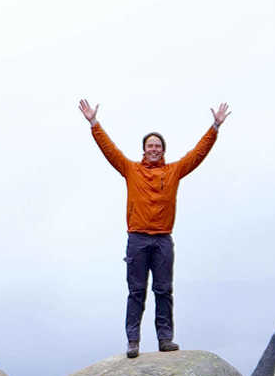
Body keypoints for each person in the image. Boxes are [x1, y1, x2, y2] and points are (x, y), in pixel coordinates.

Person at [78, 98, 230, 358]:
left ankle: (165, 339)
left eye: (158, 146)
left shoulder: (173, 171)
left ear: (163, 150)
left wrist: (214, 127)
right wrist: (94, 123)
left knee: (163, 291)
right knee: (136, 291)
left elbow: (197, 154)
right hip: (137, 239)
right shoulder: (131, 169)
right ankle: (133, 341)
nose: (154, 149)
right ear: (144, 149)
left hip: (162, 240)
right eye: (150, 146)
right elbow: (110, 150)